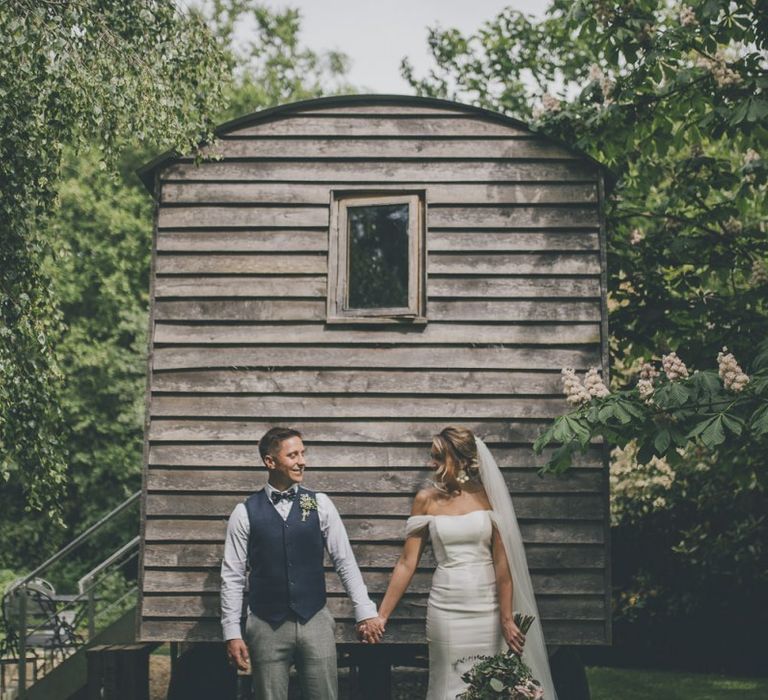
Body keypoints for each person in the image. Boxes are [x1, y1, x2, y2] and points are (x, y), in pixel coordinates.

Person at [369, 426, 558, 699]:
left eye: (437, 456)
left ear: (459, 460)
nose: (430, 463)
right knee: (448, 682)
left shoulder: (488, 497)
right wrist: (382, 615)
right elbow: (406, 563)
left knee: (489, 685)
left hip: (488, 609)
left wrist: (506, 618)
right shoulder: (425, 500)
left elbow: (503, 568)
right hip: (446, 608)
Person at [220, 427, 384, 700]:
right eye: (293, 455)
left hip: (315, 619)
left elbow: (344, 561)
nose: (302, 461)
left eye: (303, 453)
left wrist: (365, 611)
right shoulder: (245, 512)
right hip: (265, 623)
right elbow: (233, 576)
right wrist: (232, 632)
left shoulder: (318, 503)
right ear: (270, 462)